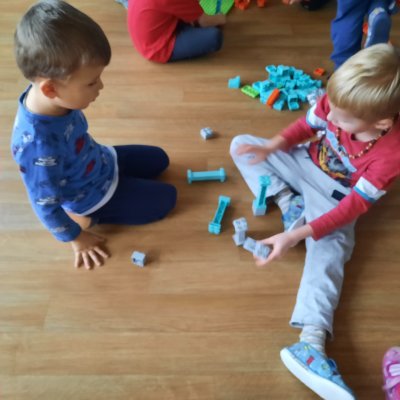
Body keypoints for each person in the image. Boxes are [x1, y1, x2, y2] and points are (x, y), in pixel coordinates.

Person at [230, 43, 400, 400]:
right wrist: (271, 146)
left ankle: (311, 342)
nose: (330, 116)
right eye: (330, 107)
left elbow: (353, 207)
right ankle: (288, 202)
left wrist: (301, 235)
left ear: (382, 124)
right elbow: (305, 126)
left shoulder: (392, 154)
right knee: (241, 144)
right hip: (301, 162)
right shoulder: (339, 101)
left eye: (342, 119)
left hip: (336, 197)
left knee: (330, 251)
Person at [12, 0, 177, 270]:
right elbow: (45, 206)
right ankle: (86, 218)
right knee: (167, 199)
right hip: (90, 197)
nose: (100, 87)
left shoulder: (51, 93)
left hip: (99, 160)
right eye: (91, 82)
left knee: (160, 159)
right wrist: (76, 238)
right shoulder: (38, 147)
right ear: (50, 89)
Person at [127, 0, 226, 63]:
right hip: (156, 48)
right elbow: (204, 21)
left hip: (144, 34)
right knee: (214, 37)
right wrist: (221, 18)